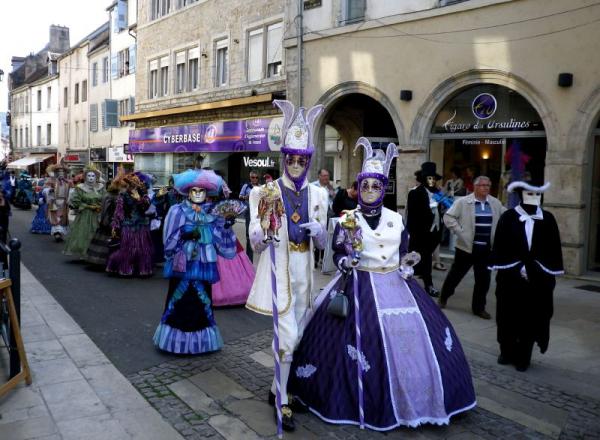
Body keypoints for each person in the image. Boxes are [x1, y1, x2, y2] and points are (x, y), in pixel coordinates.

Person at [288, 138, 476, 430]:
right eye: (365, 186)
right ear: (358, 188)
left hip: (397, 286)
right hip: (359, 284)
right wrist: (345, 262)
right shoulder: (348, 219)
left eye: (376, 186)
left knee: (418, 343)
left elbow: (402, 253)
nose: (371, 191)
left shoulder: (396, 219)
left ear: (383, 188)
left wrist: (408, 263)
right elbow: (337, 252)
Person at [246, 100, 329, 431]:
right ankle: (282, 401)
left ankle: (275, 389)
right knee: (286, 341)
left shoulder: (320, 195)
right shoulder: (264, 192)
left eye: (301, 159)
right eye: (291, 159)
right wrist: (264, 233)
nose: (295, 164)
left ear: (308, 161)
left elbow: (324, 243)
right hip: (279, 271)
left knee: (298, 337)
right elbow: (254, 234)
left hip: (304, 275)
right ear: (283, 159)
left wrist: (322, 232)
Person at [153, 169, 237, 354]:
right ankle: (176, 341)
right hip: (184, 264)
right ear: (188, 192)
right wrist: (186, 234)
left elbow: (221, 243)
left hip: (204, 265)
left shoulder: (212, 214)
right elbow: (168, 238)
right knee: (180, 300)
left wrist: (226, 226)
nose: (198, 194)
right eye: (194, 190)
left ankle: (201, 343)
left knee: (202, 301)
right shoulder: (177, 211)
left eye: (202, 191)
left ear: (207, 193)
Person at [488, 178, 563, 372]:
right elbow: (501, 246)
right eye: (530, 193)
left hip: (537, 281)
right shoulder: (508, 217)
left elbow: (552, 249)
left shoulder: (548, 219)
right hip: (511, 279)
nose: (534, 197)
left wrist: (535, 269)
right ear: (521, 194)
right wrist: (518, 267)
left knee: (531, 318)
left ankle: (524, 357)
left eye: (538, 194)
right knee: (507, 316)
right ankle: (506, 350)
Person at [439, 176, 505, 319]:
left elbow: (506, 217)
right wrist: (459, 231)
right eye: (482, 185)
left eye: (488, 185)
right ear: (475, 187)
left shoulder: (495, 203)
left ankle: (479, 308)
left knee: (483, 280)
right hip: (466, 247)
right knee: (455, 276)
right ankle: (443, 298)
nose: (486, 188)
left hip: (486, 249)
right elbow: (448, 217)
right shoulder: (463, 202)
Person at [406, 162, 443, 297]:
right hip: (419, 233)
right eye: (429, 178)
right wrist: (411, 234)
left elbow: (440, 212)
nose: (431, 181)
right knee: (414, 257)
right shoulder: (415, 193)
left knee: (426, 258)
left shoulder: (438, 194)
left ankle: (426, 282)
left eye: (433, 178)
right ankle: (426, 284)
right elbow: (412, 216)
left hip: (433, 232)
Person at [106, 173, 154, 277]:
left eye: (135, 184)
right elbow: (118, 212)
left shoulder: (143, 195)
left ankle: (143, 269)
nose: (133, 186)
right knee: (128, 249)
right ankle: (126, 268)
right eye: (131, 184)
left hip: (141, 225)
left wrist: (139, 199)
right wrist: (115, 226)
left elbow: (146, 208)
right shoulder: (123, 195)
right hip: (128, 225)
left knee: (143, 249)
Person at [63, 166, 105, 258]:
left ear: (96, 177)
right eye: (89, 175)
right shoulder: (80, 188)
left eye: (93, 176)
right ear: (85, 177)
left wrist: (100, 207)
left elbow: (104, 200)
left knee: (96, 233)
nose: (91, 178)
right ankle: (84, 252)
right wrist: (86, 206)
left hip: (97, 214)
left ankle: (94, 253)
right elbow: (75, 201)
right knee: (84, 233)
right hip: (85, 215)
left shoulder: (101, 188)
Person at [86, 180, 120, 266]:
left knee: (105, 240)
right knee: (108, 240)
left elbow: (103, 210)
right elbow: (105, 210)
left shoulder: (108, 196)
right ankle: (104, 260)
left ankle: (98, 260)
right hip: (110, 221)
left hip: (107, 221)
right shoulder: (112, 197)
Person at [311, 169, 336, 268]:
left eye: (328, 176)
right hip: (317, 215)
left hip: (328, 215)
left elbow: (334, 199)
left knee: (326, 237)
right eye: (324, 176)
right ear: (319, 176)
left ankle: (325, 261)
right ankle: (316, 260)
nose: (326, 178)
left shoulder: (330, 186)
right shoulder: (313, 186)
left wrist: (332, 191)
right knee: (317, 236)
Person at [45, 164, 71, 242]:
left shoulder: (68, 182)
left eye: (62, 172)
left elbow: (72, 191)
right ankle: (57, 233)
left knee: (62, 218)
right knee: (55, 218)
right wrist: (49, 190)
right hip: (54, 202)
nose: (61, 173)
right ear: (56, 173)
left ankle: (60, 233)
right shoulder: (51, 181)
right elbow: (45, 189)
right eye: (59, 172)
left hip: (64, 203)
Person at [239, 170, 260, 261]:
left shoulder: (260, 187)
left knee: (259, 233)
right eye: (252, 177)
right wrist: (245, 197)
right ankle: (249, 258)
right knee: (249, 235)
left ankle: (260, 252)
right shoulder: (246, 186)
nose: (254, 179)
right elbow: (240, 196)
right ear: (250, 177)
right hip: (248, 213)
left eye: (256, 177)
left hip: (258, 214)